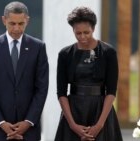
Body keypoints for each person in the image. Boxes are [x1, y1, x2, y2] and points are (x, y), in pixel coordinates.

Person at [0, 1, 49, 141]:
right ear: (4, 20)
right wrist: (1, 123)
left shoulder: (38, 48)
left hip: (29, 130)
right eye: (12, 23)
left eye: (21, 24)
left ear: (27, 21)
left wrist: (28, 121)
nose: (17, 28)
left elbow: (41, 89)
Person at [54, 6, 123, 141]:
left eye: (87, 32)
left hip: (101, 111)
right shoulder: (65, 54)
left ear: (94, 29)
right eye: (78, 33)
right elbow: (61, 92)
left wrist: (99, 124)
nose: (82, 37)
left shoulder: (108, 52)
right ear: (73, 30)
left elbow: (111, 91)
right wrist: (73, 125)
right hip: (73, 112)